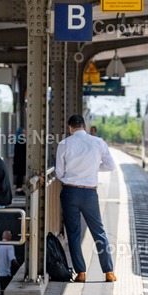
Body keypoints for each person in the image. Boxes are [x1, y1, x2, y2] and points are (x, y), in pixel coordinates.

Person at [55, 114, 116, 282]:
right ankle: (108, 272)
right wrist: (92, 170)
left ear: (70, 128)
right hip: (90, 193)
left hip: (70, 192)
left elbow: (59, 173)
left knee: (73, 233)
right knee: (99, 231)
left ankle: (81, 273)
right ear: (85, 127)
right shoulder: (98, 142)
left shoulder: (64, 143)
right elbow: (110, 166)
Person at [12, 127, 26, 196]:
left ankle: (19, 189)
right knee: (19, 175)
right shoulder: (20, 142)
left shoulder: (17, 141)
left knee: (20, 175)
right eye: (23, 132)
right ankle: (18, 189)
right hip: (20, 162)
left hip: (19, 161)